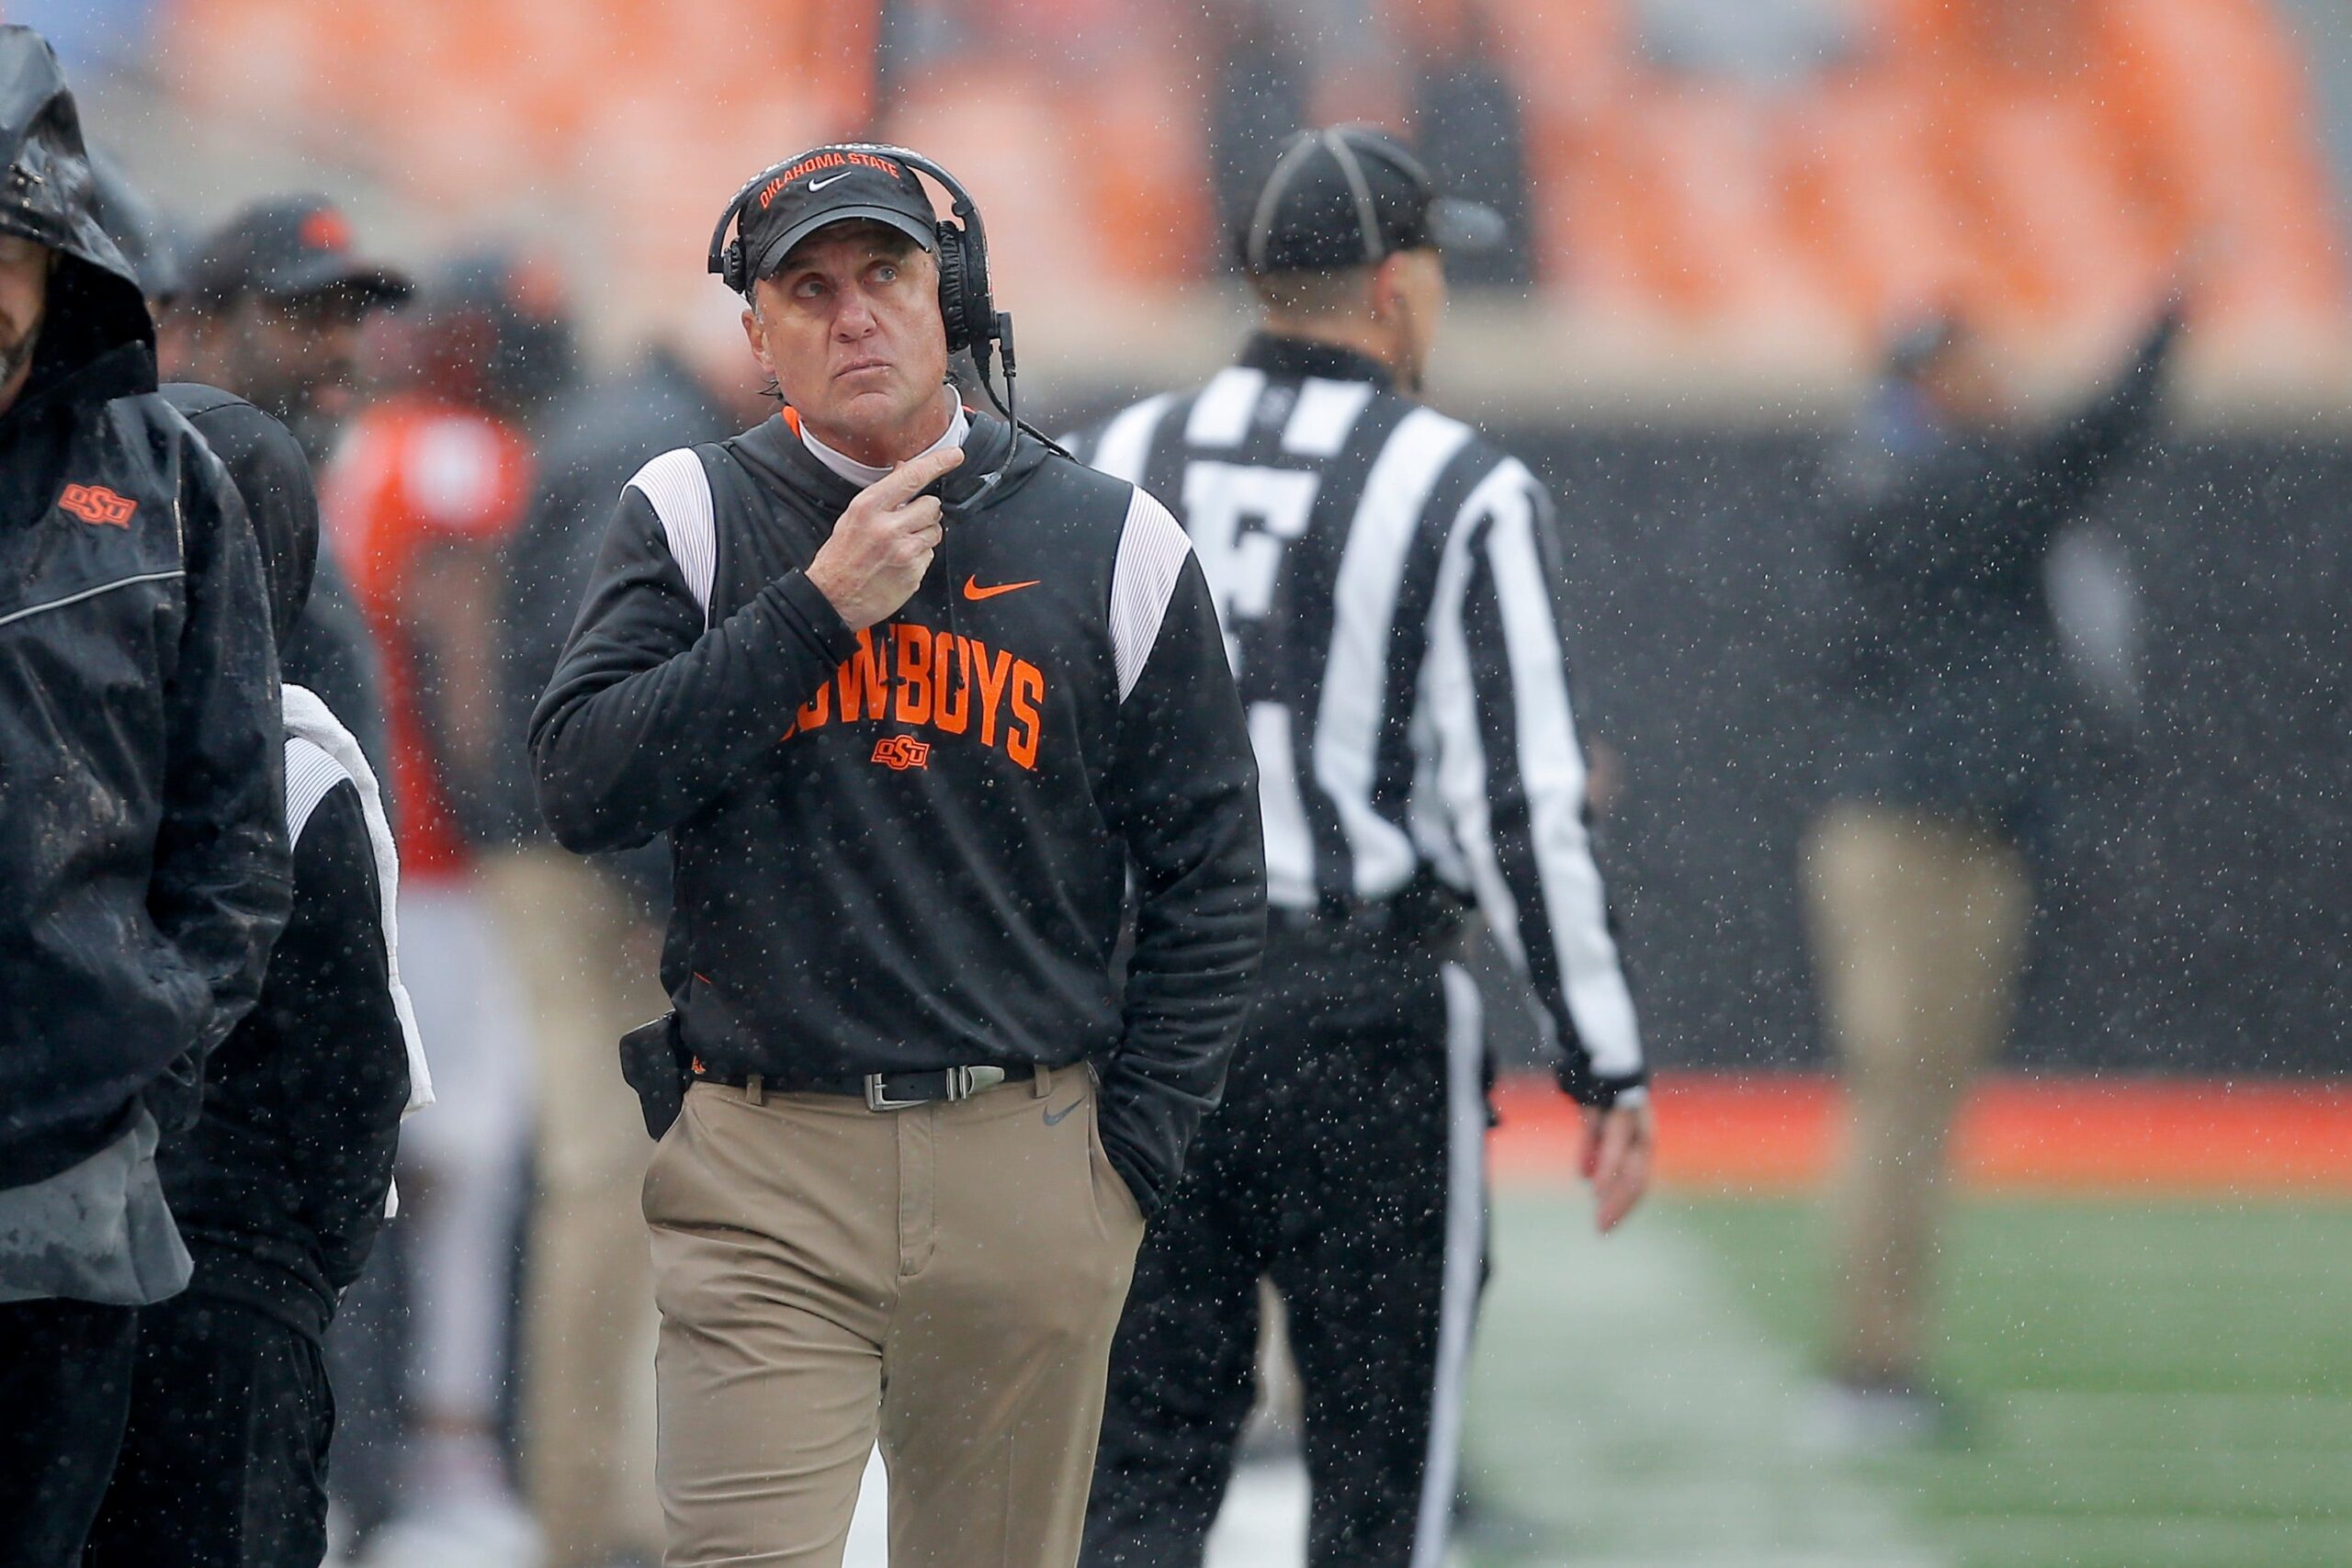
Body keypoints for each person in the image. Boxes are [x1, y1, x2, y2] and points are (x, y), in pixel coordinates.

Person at [530, 141, 1266, 1567]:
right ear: (758, 335)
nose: (852, 312)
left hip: (1029, 1156)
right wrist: (813, 610)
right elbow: (582, 785)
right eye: (808, 288)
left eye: (885, 274)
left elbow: (1211, 874)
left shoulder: (1112, 537)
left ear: (958, 303)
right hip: (765, 1157)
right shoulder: (690, 514)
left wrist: (1125, 1160)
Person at [1060, 124, 1655, 1568]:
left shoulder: (1116, 454)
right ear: (1394, 284)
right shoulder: (1459, 482)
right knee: (1380, 1484)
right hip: (1363, 1021)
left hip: (1152, 1015)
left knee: (1136, 1477)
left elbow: (1033, 761)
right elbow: (1521, 802)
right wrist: (1603, 1051)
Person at [0, 27, 291, 1565]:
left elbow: (233, 834)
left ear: (57, 262)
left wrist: (140, 1054)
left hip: (63, 1187)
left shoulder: (169, 483)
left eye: (6, 238)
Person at [1804, 302, 2178, 1437]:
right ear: (1926, 380)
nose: (1998, 377)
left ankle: (1885, 1358)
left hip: (1955, 825)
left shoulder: (1903, 474)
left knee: (1921, 1110)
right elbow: (2076, 453)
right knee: (1898, 1103)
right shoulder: (1922, 481)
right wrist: (2158, 335)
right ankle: (1865, 1367)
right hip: (1909, 836)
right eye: (1972, 362)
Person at [82, 363, 431, 1568]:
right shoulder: (298, 772)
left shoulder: (54, 742)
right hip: (229, 1296)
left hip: (72, 1273)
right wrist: (298, 1270)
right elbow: (356, 1087)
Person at [493, 309, 755, 1568]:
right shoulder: (645, 449)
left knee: (631, 1180)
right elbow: (577, 696)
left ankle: (611, 1501)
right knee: (611, 1179)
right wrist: (656, 873)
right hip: (584, 868)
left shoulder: (646, 429)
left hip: (582, 856)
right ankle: (589, 1512)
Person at [325, 259, 554, 1568]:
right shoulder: (460, 458)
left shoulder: (369, 442)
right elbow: (461, 659)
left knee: (392, 1161)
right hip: (441, 858)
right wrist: (509, 806)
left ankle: (373, 1452)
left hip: (370, 837)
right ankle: (445, 1446)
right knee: (465, 1160)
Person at [175, 192, 410, 774]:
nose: (341, 348)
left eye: (352, 318)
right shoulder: (155, 504)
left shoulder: (286, 504)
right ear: (208, 328)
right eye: (306, 315)